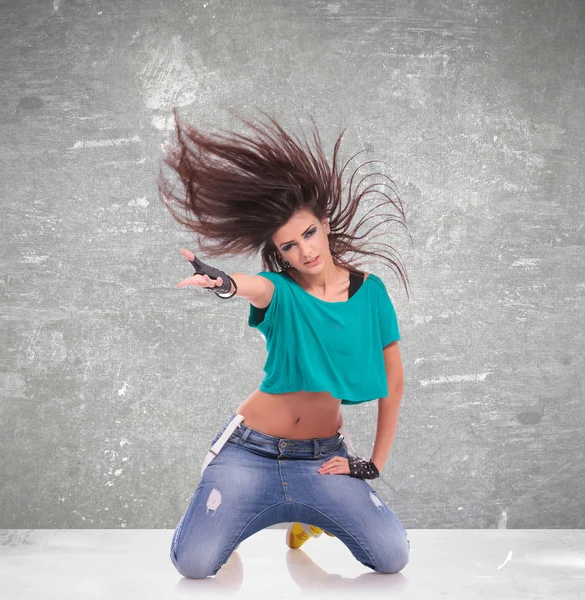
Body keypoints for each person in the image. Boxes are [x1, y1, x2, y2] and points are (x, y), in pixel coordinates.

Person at [158, 109, 411, 579]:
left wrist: (373, 463)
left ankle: (306, 519)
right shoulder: (284, 290)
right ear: (281, 253)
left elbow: (393, 383)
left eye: (309, 233)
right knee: (194, 565)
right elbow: (254, 286)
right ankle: (223, 523)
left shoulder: (371, 293)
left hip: (320, 460)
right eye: (289, 245)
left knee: (392, 556)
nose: (305, 250)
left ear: (326, 223)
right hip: (249, 452)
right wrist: (224, 283)